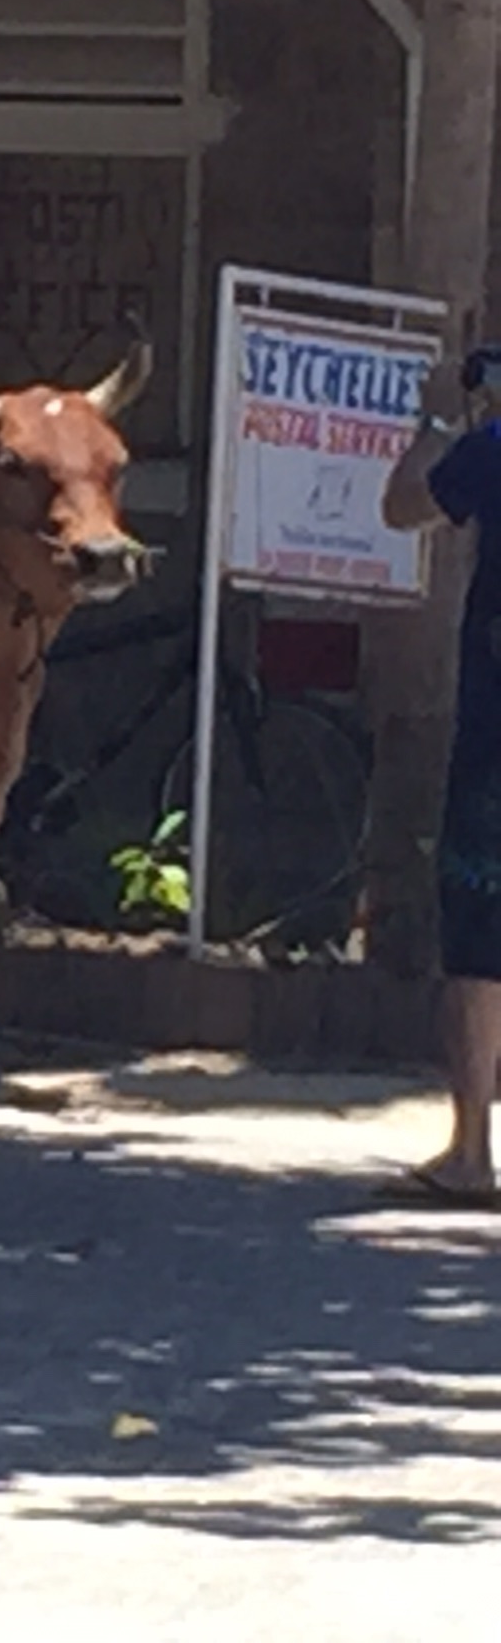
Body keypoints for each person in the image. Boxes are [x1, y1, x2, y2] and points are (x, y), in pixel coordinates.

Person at [383, 342, 501, 1206]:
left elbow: (401, 509)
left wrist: (434, 420)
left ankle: (472, 1153)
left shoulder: (491, 451)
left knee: (479, 939)